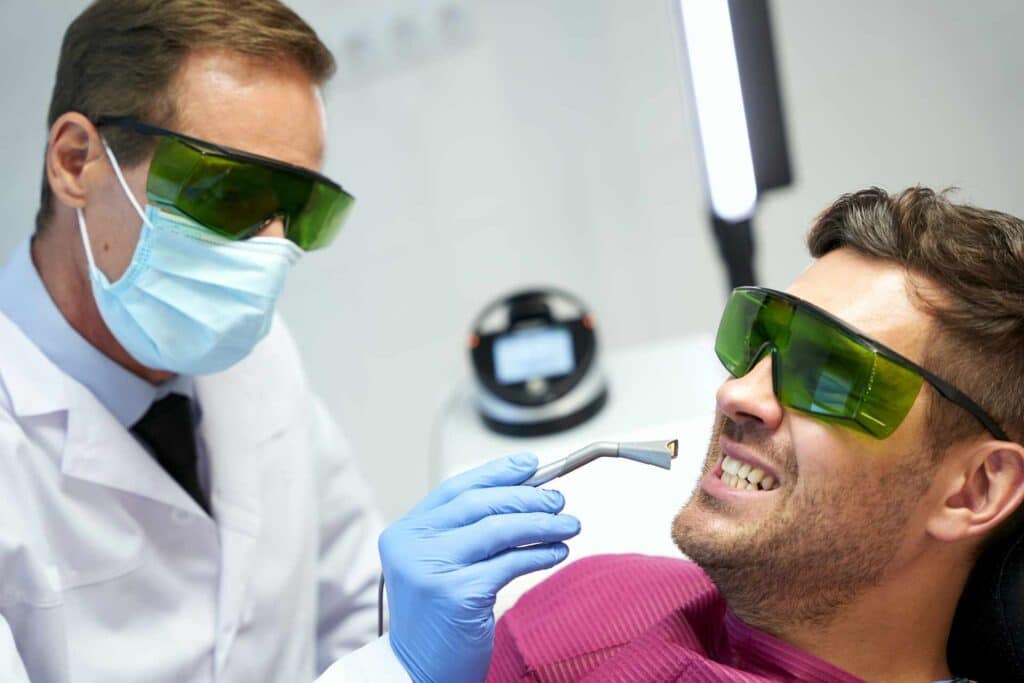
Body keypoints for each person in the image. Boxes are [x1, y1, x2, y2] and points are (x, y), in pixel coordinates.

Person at [0, 1, 579, 681]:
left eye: (300, 207)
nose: (273, 252)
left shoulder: (257, 352)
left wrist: (419, 626)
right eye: (229, 192)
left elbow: (358, 610)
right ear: (76, 162)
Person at [487, 187, 1024, 683]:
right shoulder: (591, 603)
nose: (738, 394)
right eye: (758, 338)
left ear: (975, 490)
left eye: (827, 374)